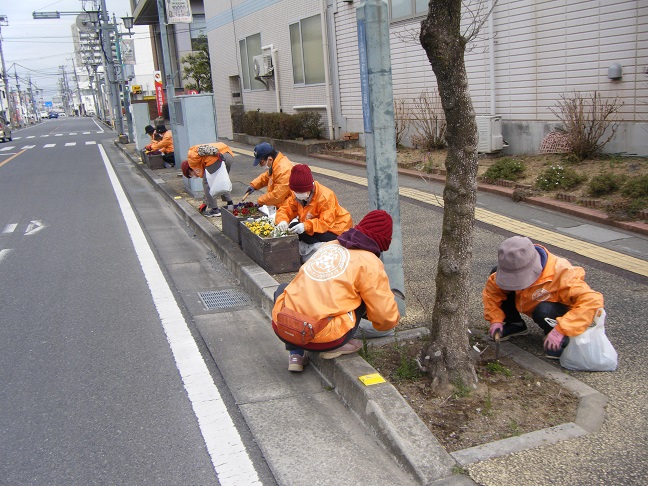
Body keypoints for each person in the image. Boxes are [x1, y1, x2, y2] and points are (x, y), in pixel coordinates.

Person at [271, 210, 400, 372]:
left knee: (284, 289)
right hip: (324, 338)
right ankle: (335, 347)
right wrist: (389, 323)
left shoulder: (330, 245)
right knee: (362, 300)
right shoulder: (370, 262)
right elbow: (383, 315)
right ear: (381, 243)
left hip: (283, 327)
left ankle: (295, 355)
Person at [483, 236, 604, 360]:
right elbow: (493, 291)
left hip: (558, 312)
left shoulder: (563, 273)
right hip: (534, 303)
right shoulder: (514, 263)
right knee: (497, 277)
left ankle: (561, 336)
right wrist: (495, 319)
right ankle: (515, 324)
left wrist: (561, 329)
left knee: (544, 310)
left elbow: (592, 300)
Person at [274, 164, 353, 262]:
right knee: (293, 227)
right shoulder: (296, 196)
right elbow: (285, 209)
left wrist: (305, 226)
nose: (298, 194)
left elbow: (326, 223)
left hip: (336, 229)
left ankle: (326, 248)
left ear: (310, 188)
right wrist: (282, 221)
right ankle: (316, 248)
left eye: (301, 191)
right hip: (314, 226)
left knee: (303, 233)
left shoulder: (325, 196)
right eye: (296, 191)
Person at [181, 143, 235, 217]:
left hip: (217, 158)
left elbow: (202, 149)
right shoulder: (201, 162)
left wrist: (216, 153)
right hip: (228, 155)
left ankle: (215, 209)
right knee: (221, 181)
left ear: (189, 170)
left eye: (191, 175)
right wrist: (205, 202)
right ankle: (230, 205)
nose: (194, 176)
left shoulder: (191, 159)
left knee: (207, 182)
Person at [243, 142, 293, 207]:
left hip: (289, 207)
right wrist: (254, 185)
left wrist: (260, 201)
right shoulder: (276, 164)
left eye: (261, 162)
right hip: (282, 204)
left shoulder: (284, 170)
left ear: (270, 159)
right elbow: (266, 176)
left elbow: (277, 195)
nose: (260, 165)